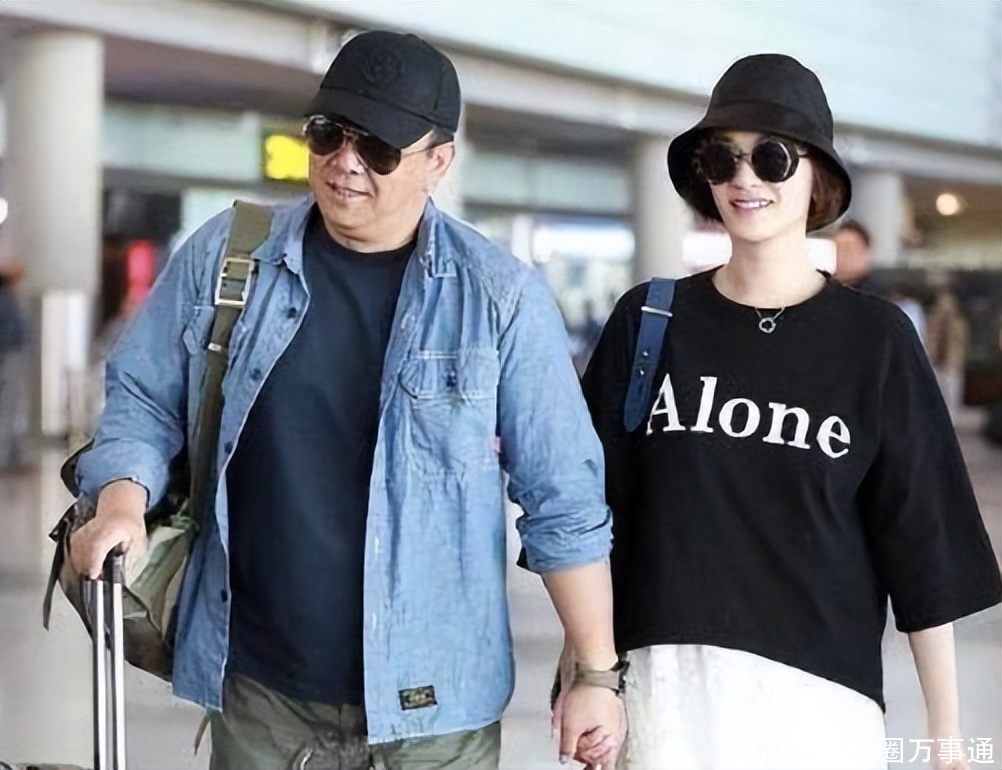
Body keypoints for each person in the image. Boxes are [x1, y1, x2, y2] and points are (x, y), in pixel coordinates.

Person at [68, 30, 624, 770]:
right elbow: (144, 396)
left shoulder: (500, 299)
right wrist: (121, 502)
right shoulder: (230, 257)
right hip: (259, 693)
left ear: (438, 162)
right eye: (328, 134)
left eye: (379, 148)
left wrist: (595, 673)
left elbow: (562, 496)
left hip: (433, 716)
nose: (345, 162)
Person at [581, 54, 1002, 770]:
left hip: (820, 704)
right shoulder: (649, 321)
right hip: (665, 695)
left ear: (818, 179)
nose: (745, 179)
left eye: (771, 158)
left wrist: (947, 733)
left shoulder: (874, 339)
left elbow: (920, 535)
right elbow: (589, 514)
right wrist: (586, 673)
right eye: (723, 159)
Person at [0, 260, 29, 471]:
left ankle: (10, 455)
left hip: (11, 354)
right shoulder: (6, 300)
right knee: (9, 405)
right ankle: (5, 457)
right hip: (10, 355)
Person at [926, 288, 971, 420]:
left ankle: (952, 418)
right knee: (938, 391)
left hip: (952, 362)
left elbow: (962, 341)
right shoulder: (934, 320)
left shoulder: (958, 321)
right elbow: (930, 338)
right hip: (936, 361)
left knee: (952, 392)